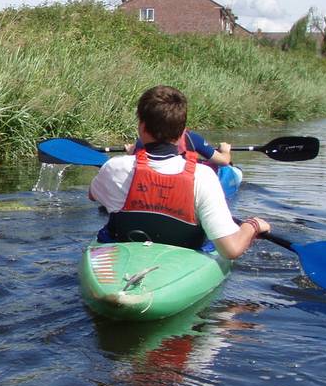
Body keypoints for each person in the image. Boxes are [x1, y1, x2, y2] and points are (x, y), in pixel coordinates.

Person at [88, 85, 269, 260]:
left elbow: (92, 195)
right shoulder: (204, 176)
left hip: (124, 249)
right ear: (183, 132)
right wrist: (251, 225)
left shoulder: (114, 167)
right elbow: (231, 250)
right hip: (183, 254)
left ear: (141, 127)